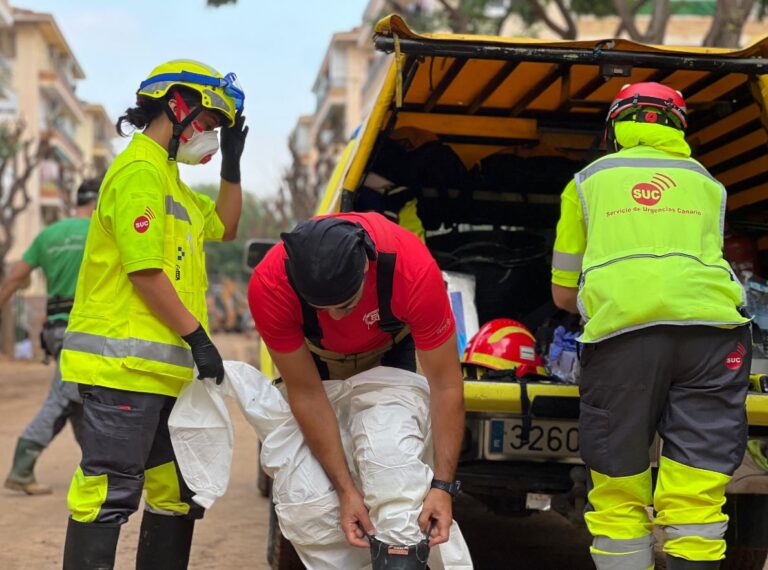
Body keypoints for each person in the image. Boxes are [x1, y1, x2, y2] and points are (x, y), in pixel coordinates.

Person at [551, 82, 750, 570]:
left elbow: (561, 294)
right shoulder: (707, 183)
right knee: (698, 489)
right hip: (713, 334)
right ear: (681, 128)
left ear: (614, 127)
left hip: (623, 335)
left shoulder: (585, 182)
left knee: (619, 488)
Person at [58, 59, 248, 570]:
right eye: (209, 125)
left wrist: (231, 166)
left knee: (176, 494)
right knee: (108, 493)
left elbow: (226, 228)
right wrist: (200, 339)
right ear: (177, 105)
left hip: (163, 375)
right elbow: (145, 273)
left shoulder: (173, 182)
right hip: (123, 370)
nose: (208, 137)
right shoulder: (140, 172)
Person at [248, 212, 468, 570]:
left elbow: (445, 385)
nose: (336, 317)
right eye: (323, 308)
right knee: (313, 497)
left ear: (367, 266)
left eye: (346, 305)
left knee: (394, 468)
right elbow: (305, 393)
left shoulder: (411, 269)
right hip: (316, 357)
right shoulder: (270, 286)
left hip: (390, 345)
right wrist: (346, 492)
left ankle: (402, 558)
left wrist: (443, 487)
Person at [0, 179, 100, 495]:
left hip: (55, 328)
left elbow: (15, 278)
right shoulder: (102, 231)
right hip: (86, 328)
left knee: (79, 398)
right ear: (100, 201)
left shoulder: (48, 235)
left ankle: (97, 468)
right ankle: (21, 467)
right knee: (64, 396)